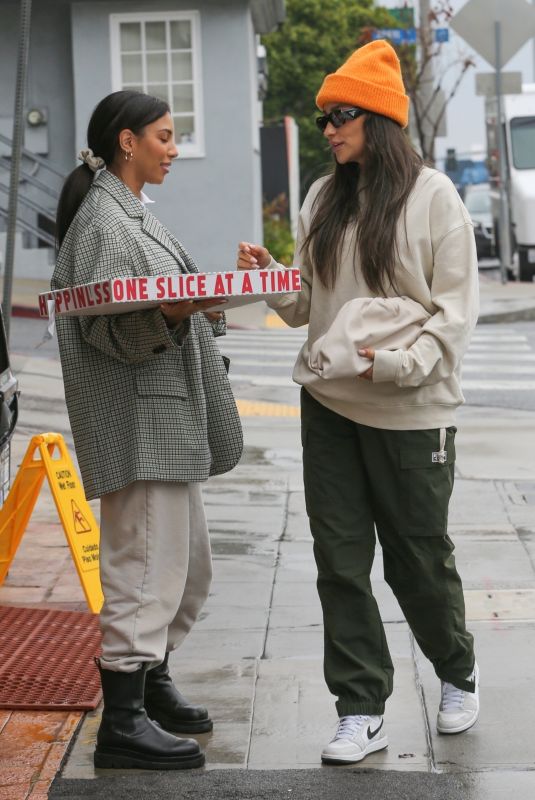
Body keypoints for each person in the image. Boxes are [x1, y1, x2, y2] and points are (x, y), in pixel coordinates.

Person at [237, 39, 479, 765]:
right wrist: (270, 279)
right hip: (330, 405)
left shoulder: (434, 197)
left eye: (339, 115)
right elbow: (307, 306)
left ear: (377, 118)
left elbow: (455, 312)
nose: (327, 129)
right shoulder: (322, 196)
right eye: (321, 119)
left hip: (411, 410)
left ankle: (456, 670)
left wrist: (399, 363)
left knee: (416, 559)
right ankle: (360, 705)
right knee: (339, 562)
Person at [53, 90, 243, 770]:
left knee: (185, 569)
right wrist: (169, 315)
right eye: (163, 136)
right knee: (143, 570)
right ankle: (124, 722)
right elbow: (103, 326)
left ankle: (151, 682)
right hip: (138, 418)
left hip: (165, 412)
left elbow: (160, 307)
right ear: (126, 142)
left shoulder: (129, 213)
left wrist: (202, 301)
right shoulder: (106, 222)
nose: (173, 148)